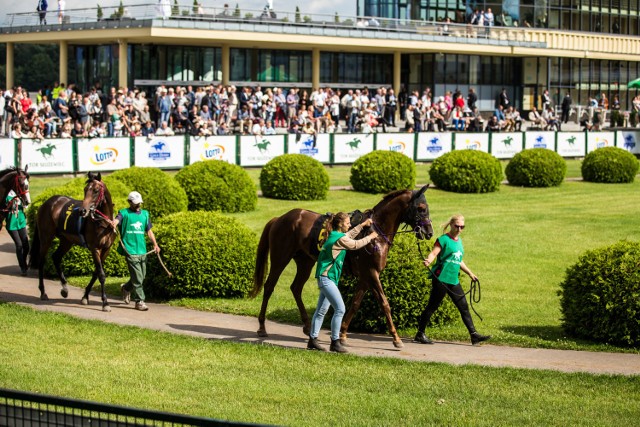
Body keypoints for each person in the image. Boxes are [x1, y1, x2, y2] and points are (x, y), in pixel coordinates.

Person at [414, 215, 490, 346]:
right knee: (432, 306)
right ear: (451, 225)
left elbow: (458, 260)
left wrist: (470, 273)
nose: (460, 229)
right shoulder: (443, 240)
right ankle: (420, 334)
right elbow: (433, 253)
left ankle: (474, 335)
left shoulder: (459, 242)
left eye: (462, 227)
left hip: (453, 280)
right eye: (457, 226)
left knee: (464, 307)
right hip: (441, 279)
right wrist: (428, 260)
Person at [308, 213, 378, 353]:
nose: (349, 225)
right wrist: (370, 237)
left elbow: (349, 236)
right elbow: (355, 244)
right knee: (340, 309)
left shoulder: (335, 235)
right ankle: (335, 342)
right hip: (327, 278)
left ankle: (312, 340)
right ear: (340, 224)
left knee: (321, 310)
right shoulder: (338, 239)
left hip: (326, 277)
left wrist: (362, 225)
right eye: (347, 223)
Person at [111, 191, 160, 312]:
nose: (138, 205)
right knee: (138, 278)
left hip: (142, 250)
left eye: (139, 203)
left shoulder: (145, 214)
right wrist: (114, 223)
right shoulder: (124, 213)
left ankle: (126, 288)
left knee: (141, 276)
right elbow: (117, 220)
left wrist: (155, 244)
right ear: (129, 202)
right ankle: (139, 301)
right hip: (130, 249)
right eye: (135, 203)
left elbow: (149, 231)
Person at [4, 190, 30, 276]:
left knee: (26, 245)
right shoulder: (5, 193)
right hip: (12, 224)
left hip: (21, 222)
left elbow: (27, 204)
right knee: (19, 245)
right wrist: (11, 202)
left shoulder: (21, 192)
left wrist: (24, 199)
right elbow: (5, 207)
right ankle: (22, 267)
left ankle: (23, 261)